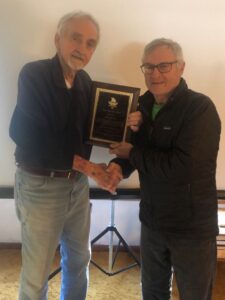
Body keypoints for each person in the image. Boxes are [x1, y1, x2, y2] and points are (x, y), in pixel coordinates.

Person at [9, 11, 113, 300]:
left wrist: (124, 132)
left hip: (77, 187)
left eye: (91, 43)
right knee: (36, 274)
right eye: (75, 38)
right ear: (58, 39)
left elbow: (92, 131)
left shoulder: (86, 83)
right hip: (40, 187)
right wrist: (91, 168)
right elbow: (33, 137)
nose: (82, 48)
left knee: (79, 262)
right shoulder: (34, 74)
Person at [109, 38, 221, 300]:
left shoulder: (200, 109)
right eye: (148, 67)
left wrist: (132, 153)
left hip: (191, 228)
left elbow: (183, 168)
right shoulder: (141, 107)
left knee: (195, 295)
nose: (155, 73)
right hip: (152, 222)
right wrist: (117, 167)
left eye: (164, 66)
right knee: (153, 293)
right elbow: (132, 152)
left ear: (181, 67)